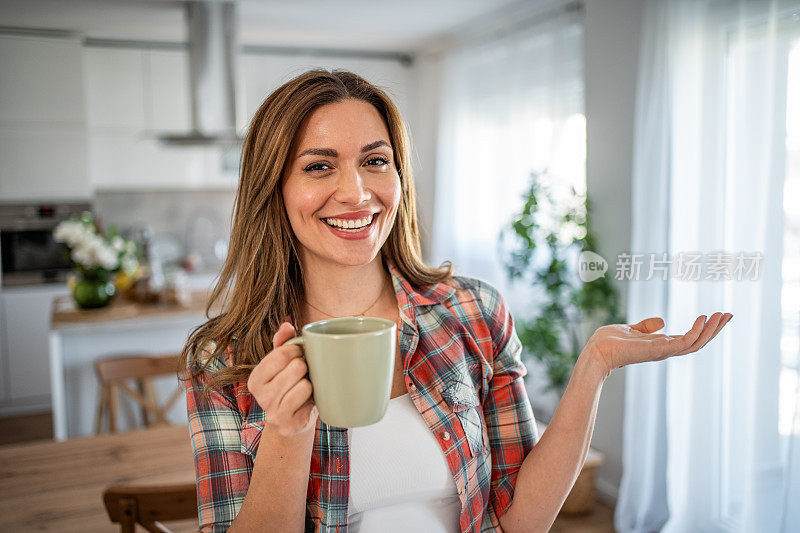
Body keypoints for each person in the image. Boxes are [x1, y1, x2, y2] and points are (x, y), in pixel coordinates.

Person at [180, 69, 731, 533]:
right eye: (319, 166)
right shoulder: (223, 359)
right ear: (272, 186)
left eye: (375, 160)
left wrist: (595, 367)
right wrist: (287, 432)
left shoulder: (473, 311)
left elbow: (521, 519)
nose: (356, 191)